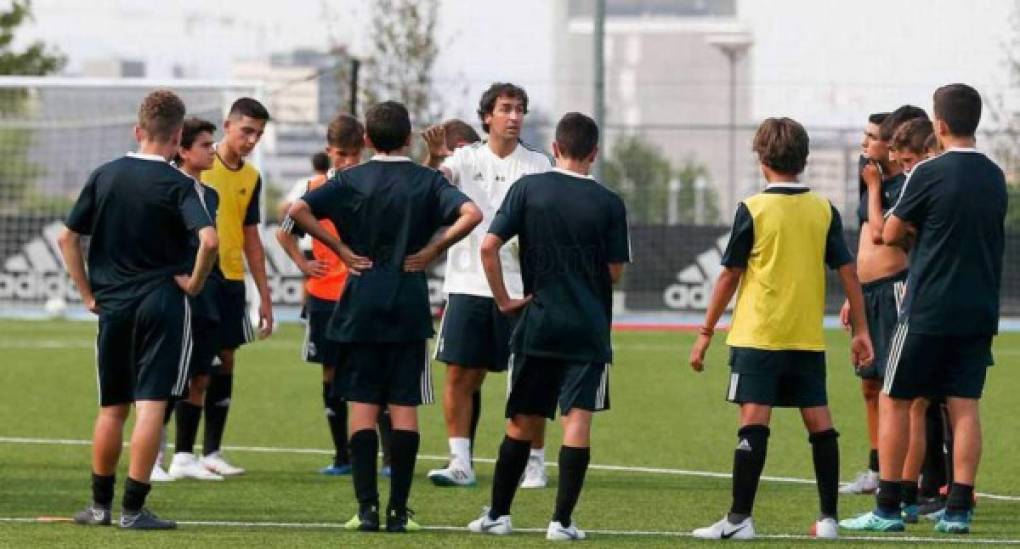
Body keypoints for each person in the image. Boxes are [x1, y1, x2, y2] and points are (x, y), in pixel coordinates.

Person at [285, 101, 482, 533]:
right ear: (409, 138)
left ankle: (366, 509)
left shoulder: (350, 179)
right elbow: (473, 214)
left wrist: (338, 249)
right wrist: (432, 250)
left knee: (361, 405)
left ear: (367, 141)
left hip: (359, 299)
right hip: (408, 300)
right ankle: (398, 511)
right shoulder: (425, 179)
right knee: (403, 407)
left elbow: (297, 212)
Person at [689, 117, 873, 541]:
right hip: (806, 337)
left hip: (758, 337)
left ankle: (739, 521)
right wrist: (861, 330)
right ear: (804, 159)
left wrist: (705, 332)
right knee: (820, 424)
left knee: (753, 421)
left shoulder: (752, 209)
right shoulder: (823, 209)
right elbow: (849, 273)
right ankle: (829, 519)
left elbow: (729, 276)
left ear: (761, 158)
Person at [841, 83, 1006, 535]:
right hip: (979, 310)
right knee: (964, 407)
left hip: (929, 306)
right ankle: (957, 510)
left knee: (895, 399)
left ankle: (889, 507)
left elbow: (890, 233)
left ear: (940, 125)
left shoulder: (927, 173)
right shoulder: (994, 175)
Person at [466, 112, 629, 541]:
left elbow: (488, 246)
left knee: (521, 421)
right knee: (577, 421)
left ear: (555, 149)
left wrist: (504, 300)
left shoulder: (528, 189)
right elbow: (614, 272)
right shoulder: (610, 203)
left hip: (538, 323)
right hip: (588, 328)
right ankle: (561, 523)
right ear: (594, 153)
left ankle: (498, 515)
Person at [60, 90, 218, 529]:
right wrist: (196, 281)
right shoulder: (181, 184)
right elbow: (209, 240)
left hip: (113, 304)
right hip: (163, 304)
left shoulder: (105, 174)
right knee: (150, 406)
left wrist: (87, 293)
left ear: (138, 130)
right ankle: (133, 510)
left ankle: (99, 507)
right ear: (177, 138)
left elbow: (67, 238)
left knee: (112, 407)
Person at [424, 83, 552, 488]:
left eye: (519, 110)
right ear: (486, 117)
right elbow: (430, 187)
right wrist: (431, 157)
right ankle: (460, 462)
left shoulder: (539, 165)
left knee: (529, 378)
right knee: (461, 376)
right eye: (505, 109)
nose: (514, 117)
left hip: (522, 287)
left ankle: (535, 460)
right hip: (467, 284)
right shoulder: (463, 158)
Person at [840, 106, 927, 496]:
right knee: (870, 385)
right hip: (868, 293)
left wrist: (875, 187)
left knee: (902, 389)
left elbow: (883, 237)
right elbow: (862, 239)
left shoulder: (906, 185)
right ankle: (877, 468)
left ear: (891, 145)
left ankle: (912, 476)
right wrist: (853, 293)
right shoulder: (867, 179)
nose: (865, 142)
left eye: (871, 136)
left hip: (895, 289)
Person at [276, 117, 363, 476]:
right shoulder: (313, 190)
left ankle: (387, 458)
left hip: (361, 294)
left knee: (372, 372)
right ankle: (341, 455)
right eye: (340, 154)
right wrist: (303, 264)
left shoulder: (368, 187)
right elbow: (284, 234)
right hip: (325, 295)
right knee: (330, 372)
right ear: (329, 153)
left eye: (353, 154)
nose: (346, 162)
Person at [197, 97, 274, 476]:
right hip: (198, 279)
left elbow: (252, 240)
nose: (251, 140)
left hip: (231, 280)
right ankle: (171, 454)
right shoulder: (196, 165)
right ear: (226, 125)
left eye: (258, 135)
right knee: (193, 367)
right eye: (246, 131)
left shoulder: (251, 177)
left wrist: (264, 295)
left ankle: (211, 452)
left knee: (226, 362)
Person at [165, 117, 228, 481]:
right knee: (170, 378)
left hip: (205, 293)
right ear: (182, 150)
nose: (213, 150)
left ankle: (185, 456)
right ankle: (154, 459)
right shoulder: (170, 188)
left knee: (202, 375)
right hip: (177, 295)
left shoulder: (212, 194)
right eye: (205, 145)